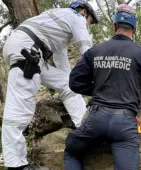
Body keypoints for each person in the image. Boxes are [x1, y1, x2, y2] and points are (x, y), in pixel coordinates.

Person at [63, 4, 141, 170]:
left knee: (72, 152)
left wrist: (98, 89)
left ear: (114, 26)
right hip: (124, 125)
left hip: (95, 120)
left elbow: (74, 82)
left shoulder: (94, 51)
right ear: (134, 29)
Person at [1, 0, 98, 169]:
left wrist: (76, 83)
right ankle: (16, 165)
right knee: (20, 107)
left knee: (68, 84)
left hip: (30, 49)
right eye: (90, 22)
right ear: (84, 12)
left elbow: (63, 66)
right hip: (27, 50)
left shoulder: (60, 25)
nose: (89, 26)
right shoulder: (76, 18)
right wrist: (101, 80)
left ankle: (82, 125)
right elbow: (87, 51)